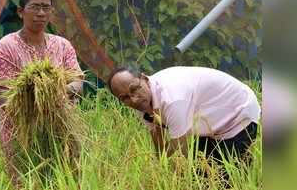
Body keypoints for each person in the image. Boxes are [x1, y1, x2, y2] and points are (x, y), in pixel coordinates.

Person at [0, 0, 83, 187]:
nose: (41, 13)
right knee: (25, 180)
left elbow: (77, 81)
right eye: (34, 7)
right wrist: (35, 99)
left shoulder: (62, 45)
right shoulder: (5, 48)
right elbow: (4, 96)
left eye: (46, 7)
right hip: (20, 131)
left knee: (64, 178)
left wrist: (58, 91)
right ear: (21, 12)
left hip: (60, 126)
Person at [108, 66, 260, 161]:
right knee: (204, 170)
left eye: (134, 89)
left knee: (224, 178)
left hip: (238, 114)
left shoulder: (172, 99)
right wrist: (159, 163)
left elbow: (181, 154)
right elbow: (157, 133)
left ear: (143, 78)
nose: (133, 99)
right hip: (208, 123)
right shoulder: (143, 101)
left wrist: (169, 176)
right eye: (125, 97)